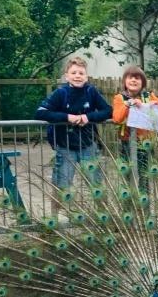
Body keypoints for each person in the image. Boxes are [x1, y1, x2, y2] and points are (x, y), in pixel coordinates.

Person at [36, 56, 111, 214]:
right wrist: (67, 118)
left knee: (96, 183)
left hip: (88, 145)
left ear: (86, 76)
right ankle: (54, 220)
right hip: (66, 147)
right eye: (74, 72)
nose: (78, 76)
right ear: (66, 75)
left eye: (81, 73)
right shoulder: (60, 93)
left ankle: (105, 217)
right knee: (62, 183)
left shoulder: (91, 91)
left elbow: (108, 111)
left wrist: (88, 117)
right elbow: (41, 113)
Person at [111, 66, 158, 192]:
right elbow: (117, 118)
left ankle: (144, 209)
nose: (134, 80)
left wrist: (150, 105)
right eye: (130, 78)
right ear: (125, 81)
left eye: (137, 78)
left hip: (145, 144)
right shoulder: (119, 98)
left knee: (144, 178)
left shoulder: (148, 96)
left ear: (143, 82)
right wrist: (130, 103)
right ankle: (129, 207)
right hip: (127, 143)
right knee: (128, 179)